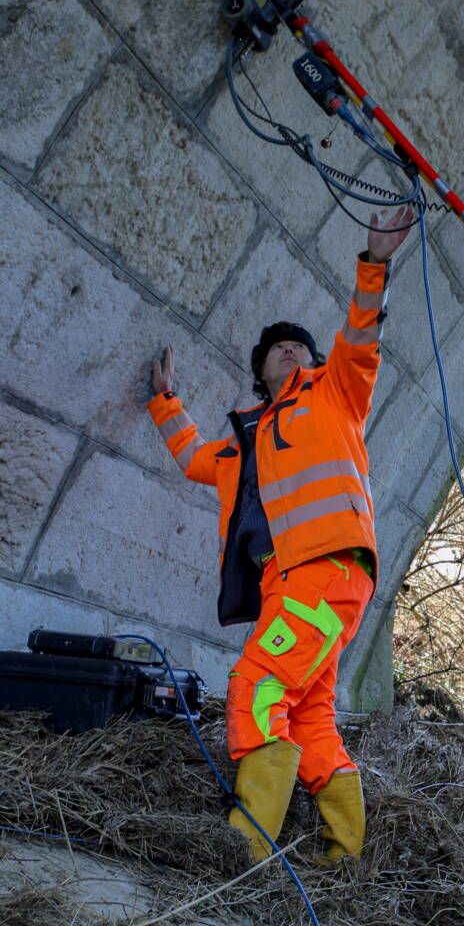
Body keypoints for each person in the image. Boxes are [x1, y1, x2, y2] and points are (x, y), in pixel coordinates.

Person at [148, 209, 416, 867]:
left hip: (326, 571)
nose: (291, 350)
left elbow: (358, 334)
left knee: (257, 685)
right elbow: (191, 458)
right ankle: (342, 855)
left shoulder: (335, 392)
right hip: (284, 586)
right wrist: (165, 404)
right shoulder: (244, 444)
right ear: (260, 370)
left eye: (300, 346)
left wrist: (374, 263)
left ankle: (245, 850)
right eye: (278, 348)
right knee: (309, 718)